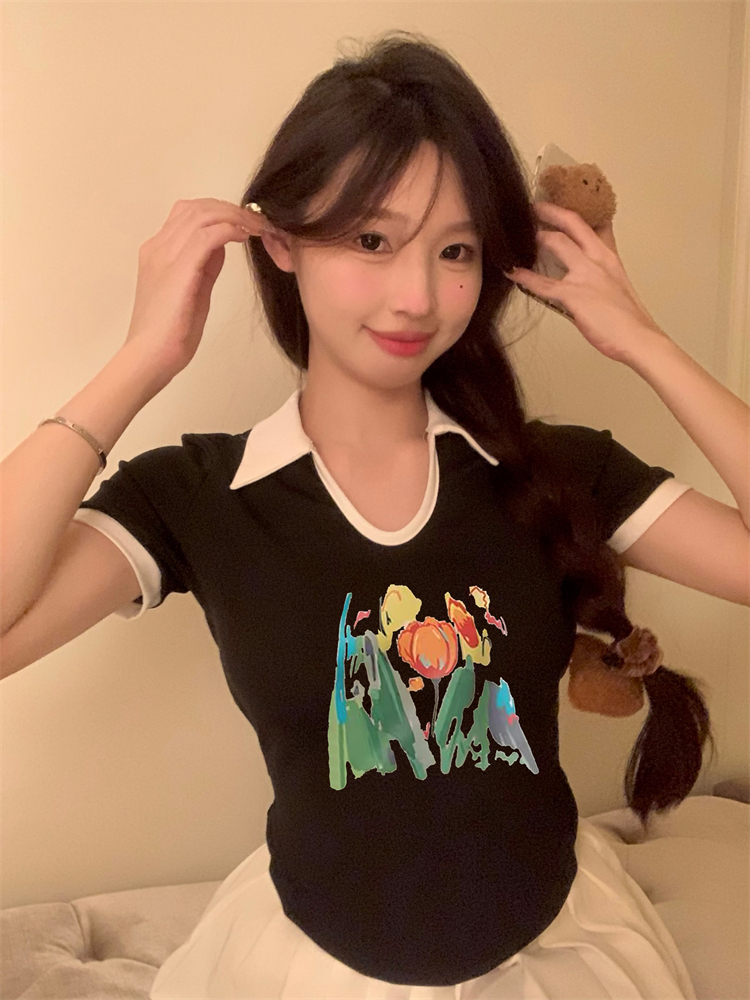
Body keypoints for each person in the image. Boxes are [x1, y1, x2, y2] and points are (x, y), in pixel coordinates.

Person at [1, 28, 747, 1000]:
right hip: (313, 966)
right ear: (279, 242)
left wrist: (644, 341)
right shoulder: (197, 496)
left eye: (455, 250)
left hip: (556, 954)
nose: (418, 295)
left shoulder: (557, 471)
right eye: (371, 240)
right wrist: (144, 357)